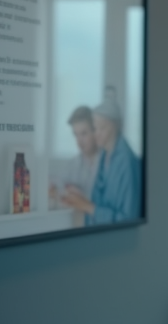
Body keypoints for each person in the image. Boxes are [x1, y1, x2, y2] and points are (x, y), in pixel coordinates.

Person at [61, 88, 141, 225]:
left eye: (99, 128)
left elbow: (127, 218)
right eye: (95, 128)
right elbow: (99, 202)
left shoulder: (127, 162)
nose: (95, 133)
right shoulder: (105, 155)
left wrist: (87, 206)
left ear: (113, 127)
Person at [50, 106, 100, 210]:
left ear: (95, 131)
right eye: (76, 135)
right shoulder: (74, 163)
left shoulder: (108, 162)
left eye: (84, 134)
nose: (79, 141)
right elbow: (55, 185)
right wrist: (59, 191)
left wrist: (81, 198)